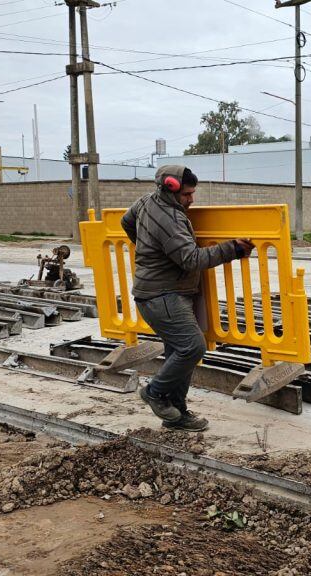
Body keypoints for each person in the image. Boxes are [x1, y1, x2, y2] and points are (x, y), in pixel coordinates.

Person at [121, 164, 253, 432]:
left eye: (192, 194)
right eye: (187, 195)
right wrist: (233, 249)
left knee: (178, 352)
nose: (191, 200)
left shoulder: (146, 201)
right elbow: (191, 259)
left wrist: (148, 250)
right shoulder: (170, 219)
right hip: (163, 295)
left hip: (157, 293)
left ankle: (177, 414)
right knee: (193, 347)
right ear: (170, 189)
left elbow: (126, 221)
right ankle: (154, 393)